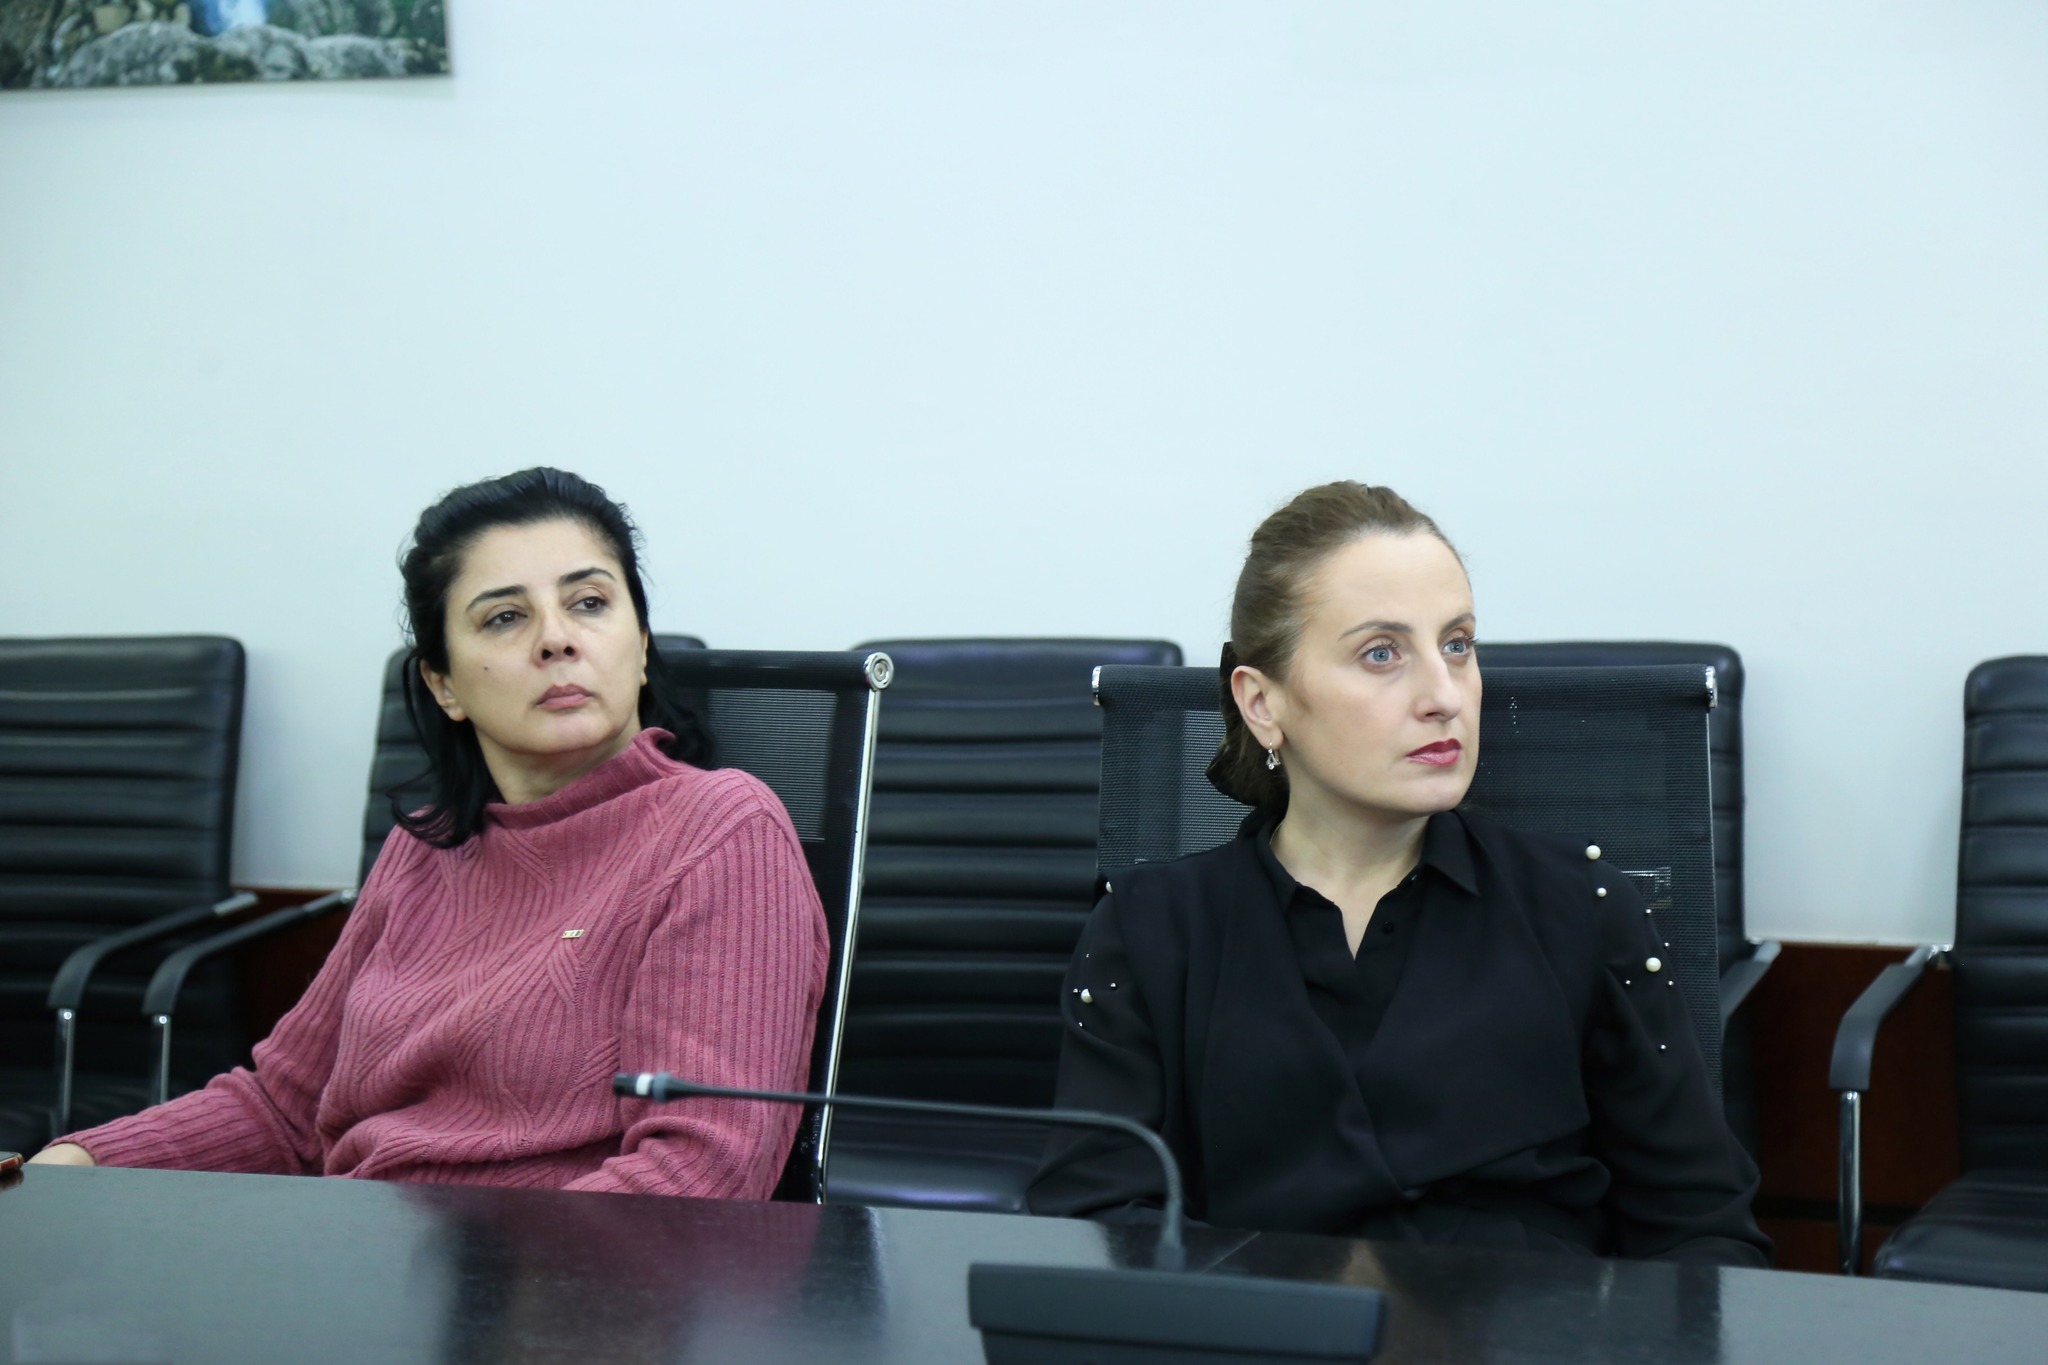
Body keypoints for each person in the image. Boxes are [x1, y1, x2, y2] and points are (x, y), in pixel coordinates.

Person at [1026, 481, 1771, 1266]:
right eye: (1381, 653)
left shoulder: (1580, 907)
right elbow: (1099, 1226)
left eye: (1458, 644)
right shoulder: (1152, 929)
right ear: (1263, 703)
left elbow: (1702, 1231)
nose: (1445, 696)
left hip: (1539, 1324)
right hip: (1260, 1327)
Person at [31, 468, 829, 1197]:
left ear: (642, 645)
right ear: (442, 683)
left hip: (548, 1286)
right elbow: (284, 1109)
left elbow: (699, 1170)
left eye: (589, 602)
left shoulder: (721, 831)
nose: (558, 638)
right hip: (358, 1251)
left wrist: (473, 1287)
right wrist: (69, 1164)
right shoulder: (427, 845)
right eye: (505, 616)